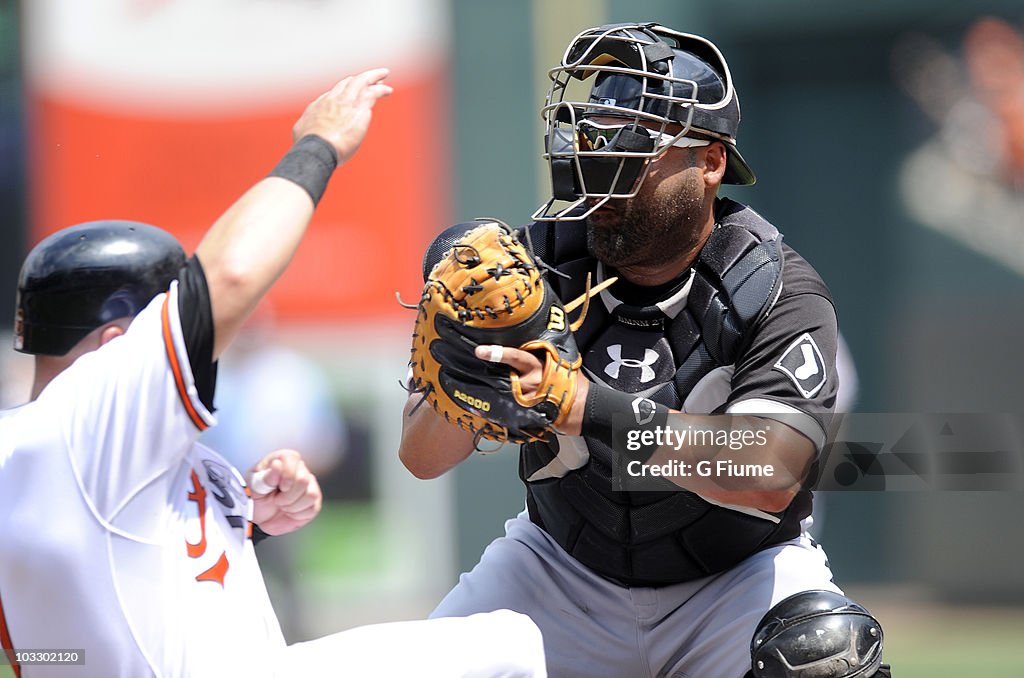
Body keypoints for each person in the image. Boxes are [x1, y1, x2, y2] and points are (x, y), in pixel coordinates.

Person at [0, 69, 545, 678]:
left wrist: (245, 520)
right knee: (511, 644)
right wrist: (319, 145)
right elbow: (230, 275)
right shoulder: (85, 413)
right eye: (164, 316)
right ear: (113, 342)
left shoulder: (47, 451)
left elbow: (95, 600)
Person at [399, 24, 889, 677]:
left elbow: (771, 474)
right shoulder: (522, 269)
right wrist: (462, 382)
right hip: (558, 570)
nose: (600, 163)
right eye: (593, 137)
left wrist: (580, 406)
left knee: (825, 656)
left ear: (710, 162)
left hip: (734, 576)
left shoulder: (776, 291)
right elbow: (421, 458)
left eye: (632, 143)